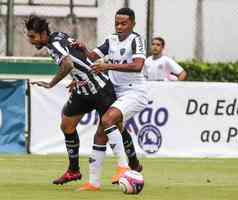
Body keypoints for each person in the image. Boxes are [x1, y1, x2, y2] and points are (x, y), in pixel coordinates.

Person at [24, 15, 140, 188]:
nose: (31, 41)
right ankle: (73, 170)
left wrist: (50, 84)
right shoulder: (59, 36)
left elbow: (68, 64)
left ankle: (133, 164)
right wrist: (77, 77)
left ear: (42, 34)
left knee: (115, 127)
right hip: (82, 88)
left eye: (33, 37)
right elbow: (78, 56)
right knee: (67, 125)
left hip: (100, 87)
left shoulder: (54, 45)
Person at [74, 8, 149, 191]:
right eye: (117, 23)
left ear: (132, 23)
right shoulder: (111, 40)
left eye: (124, 23)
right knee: (101, 132)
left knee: (107, 120)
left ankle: (123, 167)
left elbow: (138, 66)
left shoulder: (136, 40)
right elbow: (91, 59)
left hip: (134, 92)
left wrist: (107, 65)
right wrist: (84, 50)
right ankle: (94, 183)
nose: (120, 26)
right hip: (115, 92)